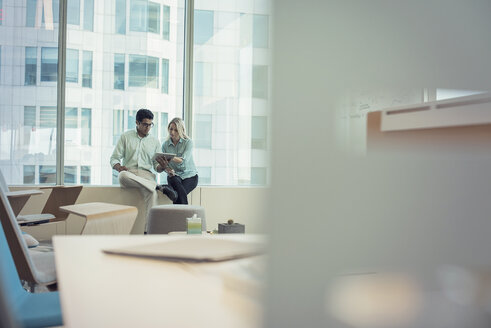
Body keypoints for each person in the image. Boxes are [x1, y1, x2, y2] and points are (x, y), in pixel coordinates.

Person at [110, 108, 170, 232]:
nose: (148, 128)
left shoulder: (154, 141)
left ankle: (148, 232)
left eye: (150, 125)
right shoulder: (126, 137)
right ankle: (156, 186)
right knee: (122, 176)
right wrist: (119, 167)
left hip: (146, 175)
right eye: (145, 124)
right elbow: (114, 158)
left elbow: (156, 167)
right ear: (137, 123)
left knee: (152, 195)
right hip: (129, 175)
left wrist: (162, 167)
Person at [156, 117, 198, 204]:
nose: (172, 132)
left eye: (176, 130)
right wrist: (168, 170)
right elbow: (165, 165)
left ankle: (168, 189)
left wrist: (169, 157)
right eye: (171, 129)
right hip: (174, 176)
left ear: (181, 130)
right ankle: (185, 216)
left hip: (190, 176)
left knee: (178, 196)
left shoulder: (188, 142)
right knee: (175, 183)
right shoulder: (165, 145)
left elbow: (184, 160)